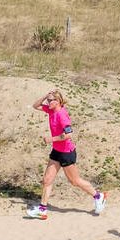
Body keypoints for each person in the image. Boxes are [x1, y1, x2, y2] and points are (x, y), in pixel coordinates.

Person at [26, 89, 106, 220]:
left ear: (58, 101)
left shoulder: (62, 115)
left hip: (66, 153)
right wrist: (45, 95)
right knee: (47, 180)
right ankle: (42, 210)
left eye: (51, 100)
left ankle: (98, 196)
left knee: (74, 181)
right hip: (56, 151)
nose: (49, 102)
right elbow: (36, 106)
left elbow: (68, 134)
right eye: (48, 100)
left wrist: (51, 139)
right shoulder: (51, 110)